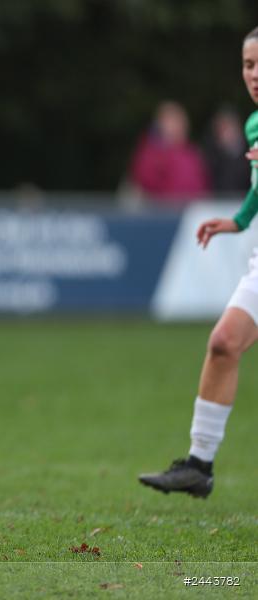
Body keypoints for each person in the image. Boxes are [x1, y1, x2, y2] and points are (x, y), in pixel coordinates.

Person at [139, 27, 258, 498]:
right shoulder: (253, 125)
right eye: (249, 65)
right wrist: (238, 220)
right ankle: (198, 466)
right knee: (224, 343)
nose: (254, 74)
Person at [128, 100, 209, 206]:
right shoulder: (151, 153)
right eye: (172, 121)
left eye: (181, 121)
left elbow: (203, 182)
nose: (178, 126)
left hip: (192, 212)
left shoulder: (192, 152)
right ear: (160, 124)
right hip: (163, 213)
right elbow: (144, 181)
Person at [203, 107, 251, 194]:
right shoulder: (212, 155)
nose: (226, 133)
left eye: (228, 127)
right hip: (219, 202)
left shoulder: (250, 152)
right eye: (222, 129)